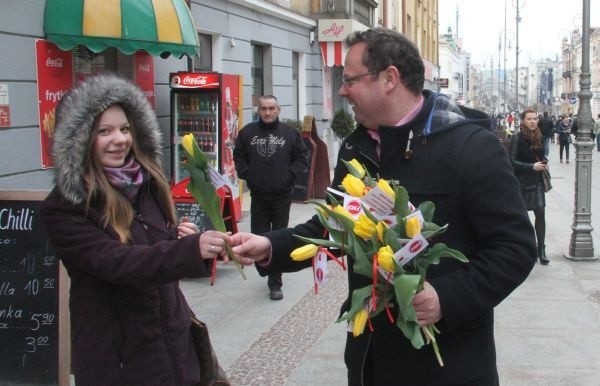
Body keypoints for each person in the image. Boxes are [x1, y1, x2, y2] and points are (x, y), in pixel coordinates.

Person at [230, 28, 537, 385]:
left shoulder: (471, 147)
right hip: (371, 359)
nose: (343, 90)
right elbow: (333, 224)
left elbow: (515, 248)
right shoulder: (356, 148)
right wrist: (270, 245)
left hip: (448, 365)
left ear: (389, 78)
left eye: (350, 80)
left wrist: (445, 298)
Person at [40, 74, 232, 385]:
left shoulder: (147, 184)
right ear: (80, 140)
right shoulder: (65, 209)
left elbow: (152, 248)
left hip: (175, 349)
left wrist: (179, 237)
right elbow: (118, 263)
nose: (120, 139)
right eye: (104, 131)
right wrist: (186, 249)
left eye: (125, 129)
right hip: (121, 362)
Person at [233, 95, 309, 300]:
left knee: (278, 237)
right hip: (258, 195)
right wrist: (248, 174)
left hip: (282, 195)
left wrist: (290, 175)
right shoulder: (247, 133)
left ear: (278, 110)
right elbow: (238, 156)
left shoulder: (290, 133)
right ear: (258, 110)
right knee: (258, 234)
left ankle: (275, 282)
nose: (267, 112)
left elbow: (302, 157)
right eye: (264, 108)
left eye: (271, 108)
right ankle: (265, 267)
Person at [509, 108, 550, 265]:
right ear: (523, 121)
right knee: (522, 219)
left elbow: (543, 154)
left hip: (537, 182)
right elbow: (511, 161)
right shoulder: (517, 138)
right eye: (529, 119)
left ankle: (542, 250)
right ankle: (525, 249)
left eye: (535, 118)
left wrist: (544, 162)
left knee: (540, 215)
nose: (533, 121)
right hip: (521, 183)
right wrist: (532, 166)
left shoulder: (539, 137)